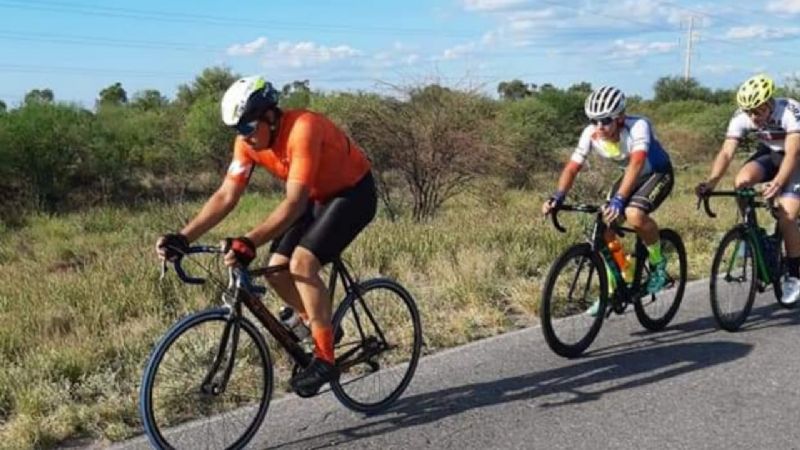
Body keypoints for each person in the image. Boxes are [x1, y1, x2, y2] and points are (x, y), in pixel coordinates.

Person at [155, 75, 377, 395]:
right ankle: (321, 324)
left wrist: (248, 241)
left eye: (247, 128)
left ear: (270, 117)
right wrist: (183, 237)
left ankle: (325, 359)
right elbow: (226, 195)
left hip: (353, 194)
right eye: (236, 131)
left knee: (302, 264)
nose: (244, 137)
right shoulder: (247, 143)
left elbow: (294, 202)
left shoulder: (303, 128)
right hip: (316, 198)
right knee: (276, 269)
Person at [542, 86, 674, 315]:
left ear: (620, 117)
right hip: (631, 176)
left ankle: (658, 265)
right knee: (603, 226)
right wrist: (558, 196)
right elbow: (572, 168)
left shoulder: (638, 126)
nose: (599, 127)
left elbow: (636, 164)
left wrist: (620, 199)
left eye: (605, 120)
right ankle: (622, 273)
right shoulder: (590, 134)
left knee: (634, 215)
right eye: (594, 121)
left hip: (657, 173)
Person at [696, 73, 800, 304]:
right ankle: (751, 231)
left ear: (769, 103)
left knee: (787, 216)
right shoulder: (741, 117)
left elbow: (792, 153)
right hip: (771, 154)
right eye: (748, 111)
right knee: (741, 182)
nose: (753, 117)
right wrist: (711, 182)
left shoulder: (789, 111)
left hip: (796, 158)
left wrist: (778, 183)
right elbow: (726, 152)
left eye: (758, 111)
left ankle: (794, 275)